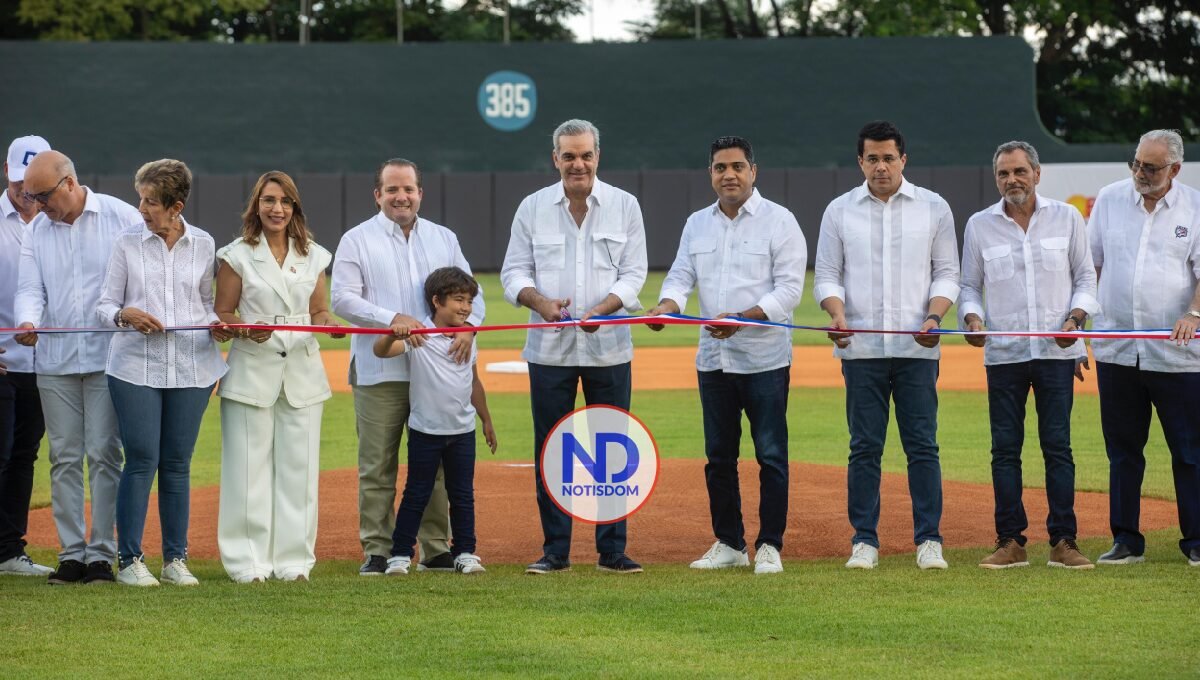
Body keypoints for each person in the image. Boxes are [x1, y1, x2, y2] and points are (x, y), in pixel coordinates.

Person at [647, 136, 806, 575]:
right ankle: (730, 542)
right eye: (720, 167)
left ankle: (770, 544)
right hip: (713, 360)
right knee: (718, 456)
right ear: (710, 174)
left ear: (754, 171)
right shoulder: (697, 223)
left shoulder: (780, 221)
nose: (729, 174)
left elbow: (790, 290)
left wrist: (744, 317)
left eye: (737, 166)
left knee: (771, 454)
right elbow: (680, 276)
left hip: (764, 359)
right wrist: (667, 307)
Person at [500, 118, 648, 575]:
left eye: (585, 155)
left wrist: (605, 307)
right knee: (552, 449)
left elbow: (634, 273)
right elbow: (514, 273)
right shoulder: (532, 207)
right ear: (555, 159)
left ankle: (612, 551)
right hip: (549, 349)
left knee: (612, 450)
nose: (577, 163)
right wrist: (540, 302)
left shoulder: (625, 205)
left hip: (609, 348)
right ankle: (555, 551)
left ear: (597, 157)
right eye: (569, 156)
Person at [813, 121, 960, 571]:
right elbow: (827, 275)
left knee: (922, 446)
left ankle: (929, 540)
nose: (881, 166)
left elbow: (947, 273)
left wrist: (934, 316)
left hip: (917, 349)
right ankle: (864, 541)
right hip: (861, 351)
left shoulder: (933, 208)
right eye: (872, 158)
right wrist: (835, 312)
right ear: (860, 161)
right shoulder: (839, 211)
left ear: (903, 160)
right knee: (864, 446)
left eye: (888, 158)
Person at [331, 158, 486, 576]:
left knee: (434, 465)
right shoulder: (357, 239)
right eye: (392, 189)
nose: (402, 196)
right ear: (377, 194)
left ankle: (436, 549)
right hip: (380, 369)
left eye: (409, 189)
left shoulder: (443, 238)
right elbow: (342, 299)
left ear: (420, 192)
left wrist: (470, 328)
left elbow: (475, 293)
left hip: (435, 374)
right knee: (377, 466)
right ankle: (378, 550)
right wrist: (392, 319)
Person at [960, 141, 1098, 570]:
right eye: (1003, 173)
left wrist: (1075, 320)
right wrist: (972, 318)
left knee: (1058, 447)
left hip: (1058, 354)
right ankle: (1010, 541)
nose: (1011, 180)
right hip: (1004, 354)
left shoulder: (1068, 217)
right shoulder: (980, 225)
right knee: (1005, 450)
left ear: (1037, 174)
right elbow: (968, 287)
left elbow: (1085, 278)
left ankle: (1064, 541)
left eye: (1019, 171)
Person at [95, 159, 229, 586]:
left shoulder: (205, 244)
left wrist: (217, 325)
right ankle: (130, 561)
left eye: (151, 201)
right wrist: (124, 314)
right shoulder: (126, 243)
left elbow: (207, 306)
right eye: (141, 198)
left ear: (176, 205)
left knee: (176, 464)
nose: (142, 207)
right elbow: (102, 307)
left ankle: (175, 561)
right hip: (134, 367)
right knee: (141, 460)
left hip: (193, 368)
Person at [15, 150, 142, 585]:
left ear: (69, 183)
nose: (36, 204)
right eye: (30, 196)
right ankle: (72, 554)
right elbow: (31, 288)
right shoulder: (36, 231)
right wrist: (29, 320)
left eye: (42, 195)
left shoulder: (121, 216)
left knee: (105, 454)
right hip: (55, 360)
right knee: (64, 456)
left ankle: (101, 555)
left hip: (110, 357)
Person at [214, 170, 341, 583]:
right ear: (257, 205)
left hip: (302, 374)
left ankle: (294, 562)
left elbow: (319, 310)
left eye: (285, 202)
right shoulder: (236, 255)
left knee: (298, 472)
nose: (277, 209)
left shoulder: (314, 255)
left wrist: (329, 323)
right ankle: (247, 562)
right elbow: (222, 313)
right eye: (269, 200)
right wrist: (244, 329)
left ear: (295, 208)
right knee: (247, 472)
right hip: (252, 371)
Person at [1088, 129, 1200, 567]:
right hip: (1118, 348)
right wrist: (1082, 327)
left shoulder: (1195, 206)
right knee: (1122, 451)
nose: (1139, 173)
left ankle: (1195, 541)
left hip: (1177, 354)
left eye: (1150, 168)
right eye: (1135, 163)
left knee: (1189, 451)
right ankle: (1126, 540)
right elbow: (1089, 265)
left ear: (1175, 169)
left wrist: (1193, 314)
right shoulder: (1110, 200)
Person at [374, 267, 497, 576]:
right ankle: (401, 554)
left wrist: (486, 420)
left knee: (462, 495)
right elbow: (381, 351)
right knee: (417, 493)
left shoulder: (468, 337)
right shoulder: (419, 337)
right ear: (436, 301)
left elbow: (474, 382)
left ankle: (465, 552)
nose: (466, 308)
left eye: (469, 301)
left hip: (462, 431)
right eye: (458, 300)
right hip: (426, 431)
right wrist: (393, 333)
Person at [0, 135, 52, 577]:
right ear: (7, 173)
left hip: (42, 364)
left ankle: (8, 551)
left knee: (23, 456)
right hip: (1, 359)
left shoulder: (58, 222)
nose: (27, 192)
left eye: (34, 183)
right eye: (20, 182)